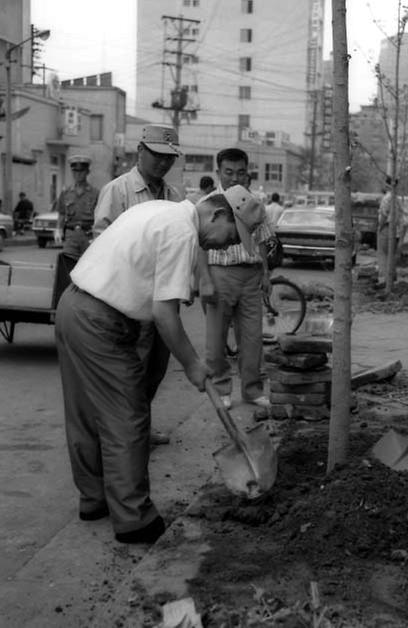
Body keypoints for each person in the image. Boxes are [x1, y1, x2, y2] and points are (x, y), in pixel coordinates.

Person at [56, 188, 261, 544]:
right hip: (100, 320)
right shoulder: (181, 233)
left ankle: (94, 500)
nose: (225, 246)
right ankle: (134, 519)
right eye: (231, 235)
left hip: (73, 307)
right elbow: (165, 315)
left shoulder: (160, 210)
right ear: (217, 215)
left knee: (86, 413)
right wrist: (194, 365)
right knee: (127, 416)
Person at [93, 124, 183, 446]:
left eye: (169, 158)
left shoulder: (174, 196)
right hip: (127, 299)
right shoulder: (117, 191)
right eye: (157, 155)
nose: (163, 164)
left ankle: (140, 428)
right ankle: (124, 433)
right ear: (140, 151)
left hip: (160, 298)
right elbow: (101, 240)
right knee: (131, 370)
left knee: (156, 367)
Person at [199, 148, 273, 410]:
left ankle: (252, 390)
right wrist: (204, 278)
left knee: (253, 338)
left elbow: (263, 238)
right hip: (220, 275)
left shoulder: (253, 202)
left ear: (247, 173)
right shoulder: (207, 203)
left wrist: (266, 273)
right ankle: (221, 387)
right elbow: (197, 244)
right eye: (228, 172)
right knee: (216, 338)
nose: (234, 177)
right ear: (218, 172)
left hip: (251, 276)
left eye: (240, 172)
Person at [53, 155, 100, 269]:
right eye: (75, 171)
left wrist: (97, 235)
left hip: (88, 235)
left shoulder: (95, 193)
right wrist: (58, 229)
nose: (78, 174)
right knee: (68, 267)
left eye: (81, 171)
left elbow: (99, 216)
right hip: (71, 235)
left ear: (87, 172)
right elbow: (62, 213)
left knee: (88, 269)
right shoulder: (66, 193)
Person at [376, 176, 403, 287]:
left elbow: (384, 214)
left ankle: (384, 279)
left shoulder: (387, 198)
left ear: (386, 184)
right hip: (395, 228)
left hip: (387, 227)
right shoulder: (397, 198)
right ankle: (391, 277)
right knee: (391, 254)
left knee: (383, 254)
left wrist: (379, 227)